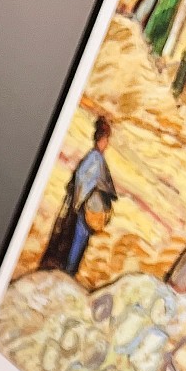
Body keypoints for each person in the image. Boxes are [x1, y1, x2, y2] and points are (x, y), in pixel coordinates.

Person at [40, 116, 118, 279]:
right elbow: (83, 179)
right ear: (102, 139)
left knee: (77, 240)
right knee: (78, 240)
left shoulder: (94, 157)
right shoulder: (95, 158)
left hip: (83, 206)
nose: (107, 143)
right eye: (106, 140)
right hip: (86, 208)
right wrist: (82, 200)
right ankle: (68, 272)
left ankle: (68, 270)